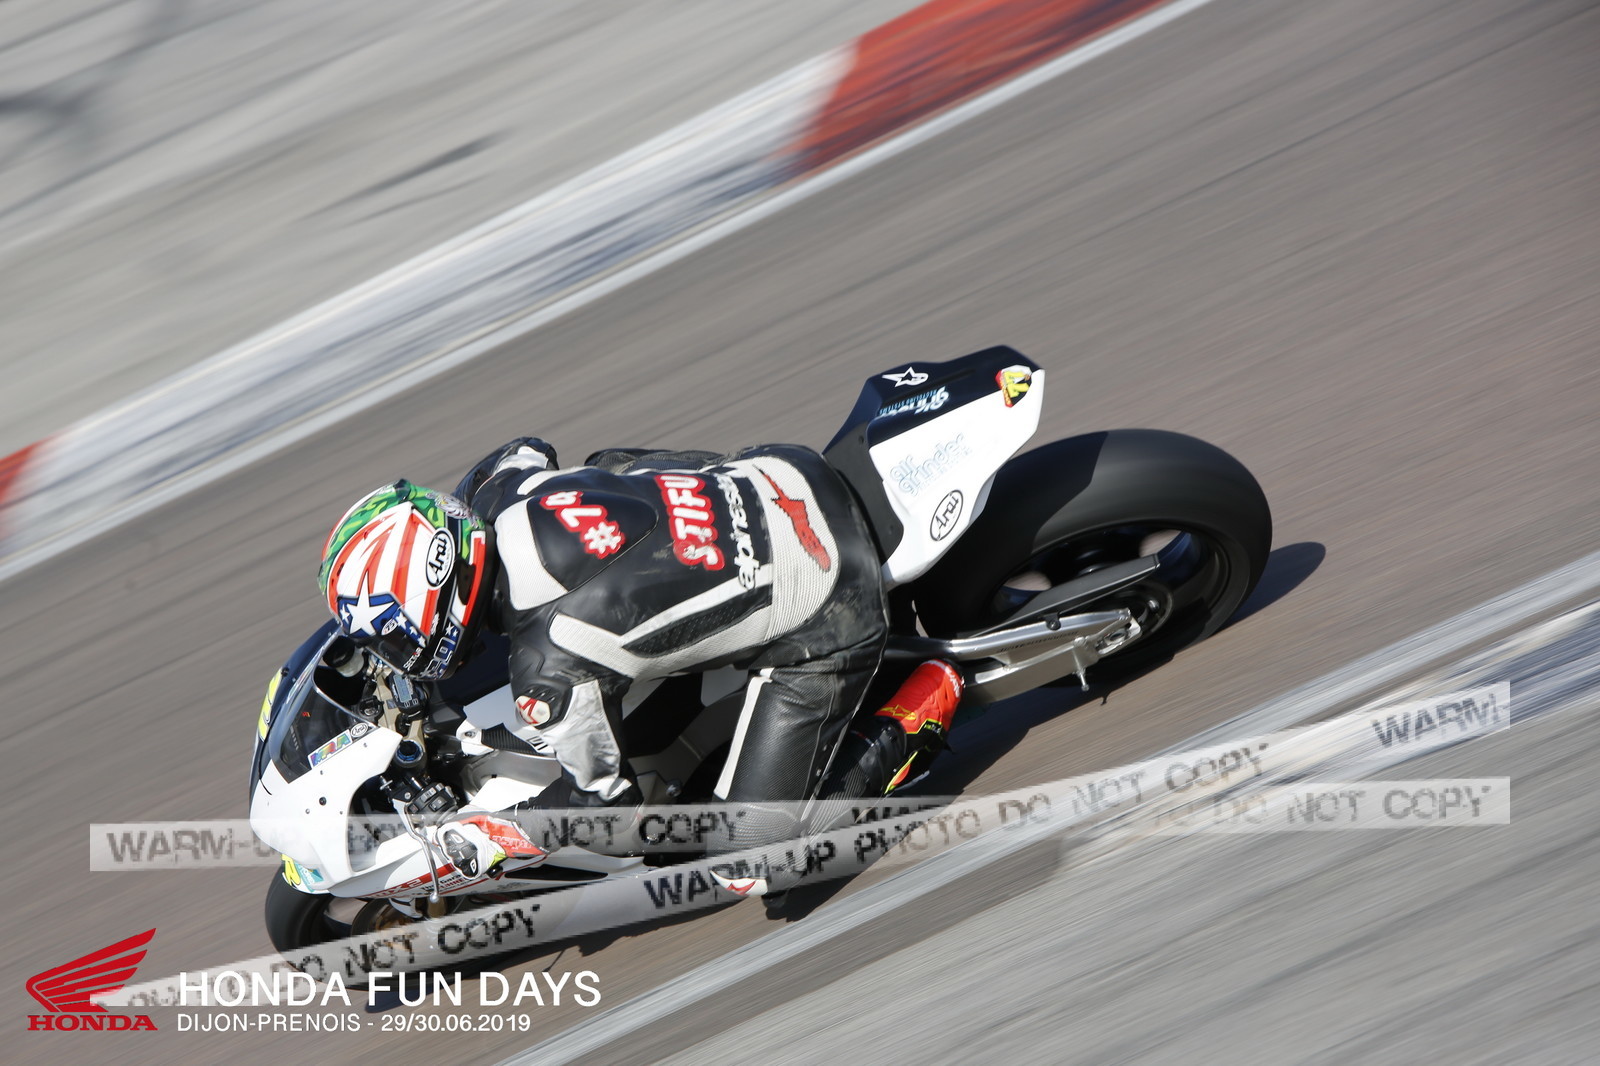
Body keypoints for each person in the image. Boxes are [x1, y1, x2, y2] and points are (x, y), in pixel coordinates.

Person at [316, 438, 963, 898]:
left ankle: (918, 709)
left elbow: (612, 818)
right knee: (607, 467)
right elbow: (523, 450)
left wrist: (504, 833)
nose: (397, 651)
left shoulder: (550, 669)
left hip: (828, 598)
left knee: (744, 865)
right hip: (777, 473)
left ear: (442, 593)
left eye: (397, 634)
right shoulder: (504, 491)